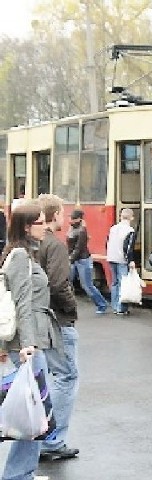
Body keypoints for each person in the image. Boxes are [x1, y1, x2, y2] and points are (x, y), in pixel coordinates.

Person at [0, 201, 62, 479]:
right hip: (27, 344)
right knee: (32, 412)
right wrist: (27, 346)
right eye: (39, 222)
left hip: (28, 342)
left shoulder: (23, 254)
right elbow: (22, 304)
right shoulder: (22, 257)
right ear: (27, 227)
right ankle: (18, 474)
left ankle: (22, 471)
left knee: (33, 410)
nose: (45, 226)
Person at [37, 195, 81, 462]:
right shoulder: (55, 246)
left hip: (39, 321)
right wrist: (71, 306)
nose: (64, 218)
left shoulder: (31, 244)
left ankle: (43, 434)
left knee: (49, 376)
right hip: (58, 321)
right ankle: (53, 439)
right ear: (54, 216)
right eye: (61, 213)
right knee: (66, 376)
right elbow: (58, 284)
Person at [67, 209, 109, 314]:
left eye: (73, 218)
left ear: (79, 219)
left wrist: (70, 259)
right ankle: (69, 305)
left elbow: (79, 248)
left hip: (82, 259)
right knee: (70, 283)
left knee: (87, 285)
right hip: (77, 259)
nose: (71, 220)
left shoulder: (81, 231)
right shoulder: (74, 228)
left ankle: (102, 304)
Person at [106, 208, 136, 315]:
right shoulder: (130, 230)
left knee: (114, 282)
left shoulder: (113, 228)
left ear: (121, 217)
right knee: (123, 283)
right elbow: (128, 248)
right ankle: (121, 308)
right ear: (131, 218)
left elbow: (107, 242)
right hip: (122, 259)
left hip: (111, 257)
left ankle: (114, 306)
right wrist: (131, 260)